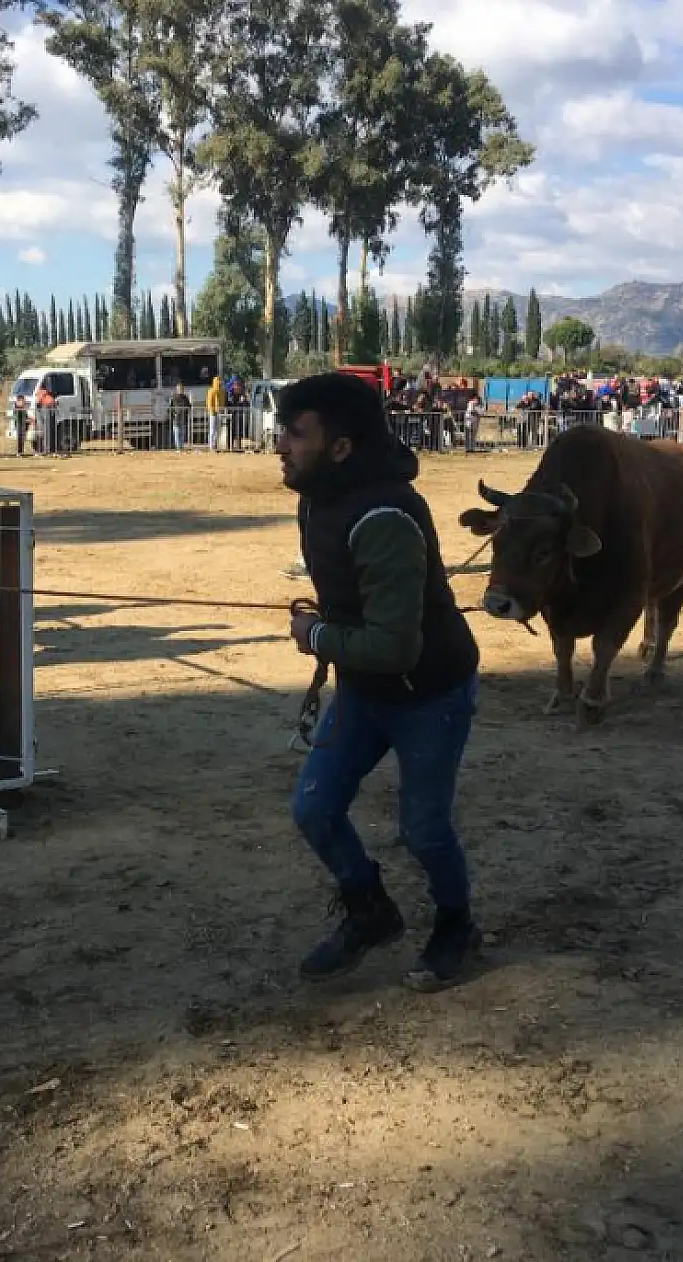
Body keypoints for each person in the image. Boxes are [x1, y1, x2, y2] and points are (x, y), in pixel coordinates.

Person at [275, 373, 482, 992]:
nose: (279, 444)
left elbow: (395, 647)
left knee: (423, 828)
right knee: (314, 809)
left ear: (341, 447)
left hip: (430, 693)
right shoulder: (315, 496)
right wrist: (330, 618)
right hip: (365, 688)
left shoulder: (385, 516)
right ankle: (371, 912)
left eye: (295, 433)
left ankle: (456, 925)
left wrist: (314, 636)